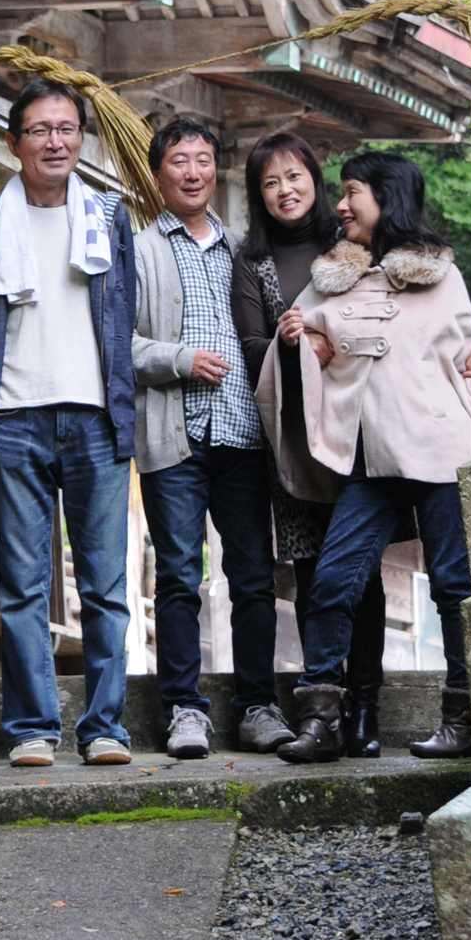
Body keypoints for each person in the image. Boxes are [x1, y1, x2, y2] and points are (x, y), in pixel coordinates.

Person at [234, 131, 471, 759]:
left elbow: (461, 343)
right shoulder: (331, 280)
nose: (341, 206)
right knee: (332, 580)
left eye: (353, 193)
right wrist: (300, 344)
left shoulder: (442, 277)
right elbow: (300, 348)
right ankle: (322, 721)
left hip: (437, 450)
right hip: (367, 457)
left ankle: (462, 721)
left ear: (387, 198)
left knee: (454, 585)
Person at [0, 81, 136, 768]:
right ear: (14, 142)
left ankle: (104, 727)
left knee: (105, 585)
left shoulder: (109, 218)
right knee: (23, 584)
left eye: (67, 129)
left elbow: (124, 320)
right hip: (13, 416)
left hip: (95, 415)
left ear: (82, 140)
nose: (55, 141)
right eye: (40, 130)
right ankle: (33, 725)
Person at [132, 117, 288, 757]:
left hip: (243, 434)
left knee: (252, 576)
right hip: (176, 437)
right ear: (157, 172)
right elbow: (115, 343)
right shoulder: (139, 250)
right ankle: (184, 711)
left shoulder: (246, 251)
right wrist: (179, 360)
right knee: (176, 576)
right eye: (178, 161)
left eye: (202, 160)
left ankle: (257, 706)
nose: (192, 173)